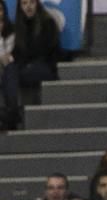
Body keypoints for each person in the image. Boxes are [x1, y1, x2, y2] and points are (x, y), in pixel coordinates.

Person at [7, 0, 59, 128]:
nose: (28, 7)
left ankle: (12, 114)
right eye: (24, 4)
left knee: (13, 73)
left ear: (37, 4)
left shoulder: (48, 23)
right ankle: (12, 111)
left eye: (31, 3)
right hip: (26, 68)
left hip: (45, 68)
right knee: (10, 69)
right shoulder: (19, 26)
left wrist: (24, 61)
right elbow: (17, 53)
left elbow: (45, 52)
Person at [0, 3, 17, 130]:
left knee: (9, 69)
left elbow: (7, 56)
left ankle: (10, 114)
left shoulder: (11, 29)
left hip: (7, 66)